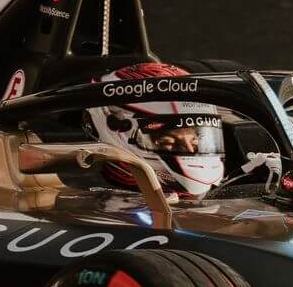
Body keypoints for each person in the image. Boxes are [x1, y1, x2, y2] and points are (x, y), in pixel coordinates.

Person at [86, 63, 227, 198]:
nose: (190, 151)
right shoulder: (78, 196)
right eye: (167, 141)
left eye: (195, 141)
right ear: (114, 126)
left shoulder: (224, 192)